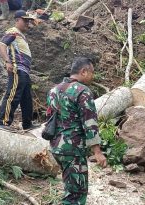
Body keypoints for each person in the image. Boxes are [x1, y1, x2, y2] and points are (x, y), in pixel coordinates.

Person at [46, 57, 107, 205]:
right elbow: (89, 123)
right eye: (92, 72)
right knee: (76, 194)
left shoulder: (54, 90)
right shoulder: (83, 91)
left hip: (56, 147)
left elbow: (49, 117)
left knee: (70, 187)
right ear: (83, 71)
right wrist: (97, 152)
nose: (93, 76)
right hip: (73, 149)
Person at [0, 10, 36, 131]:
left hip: (24, 71)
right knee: (13, 95)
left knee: (26, 97)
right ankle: (2, 122)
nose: (28, 23)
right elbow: (1, 45)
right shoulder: (13, 32)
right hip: (17, 68)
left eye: (28, 21)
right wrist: (7, 62)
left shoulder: (21, 35)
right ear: (17, 20)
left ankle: (27, 124)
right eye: (25, 20)